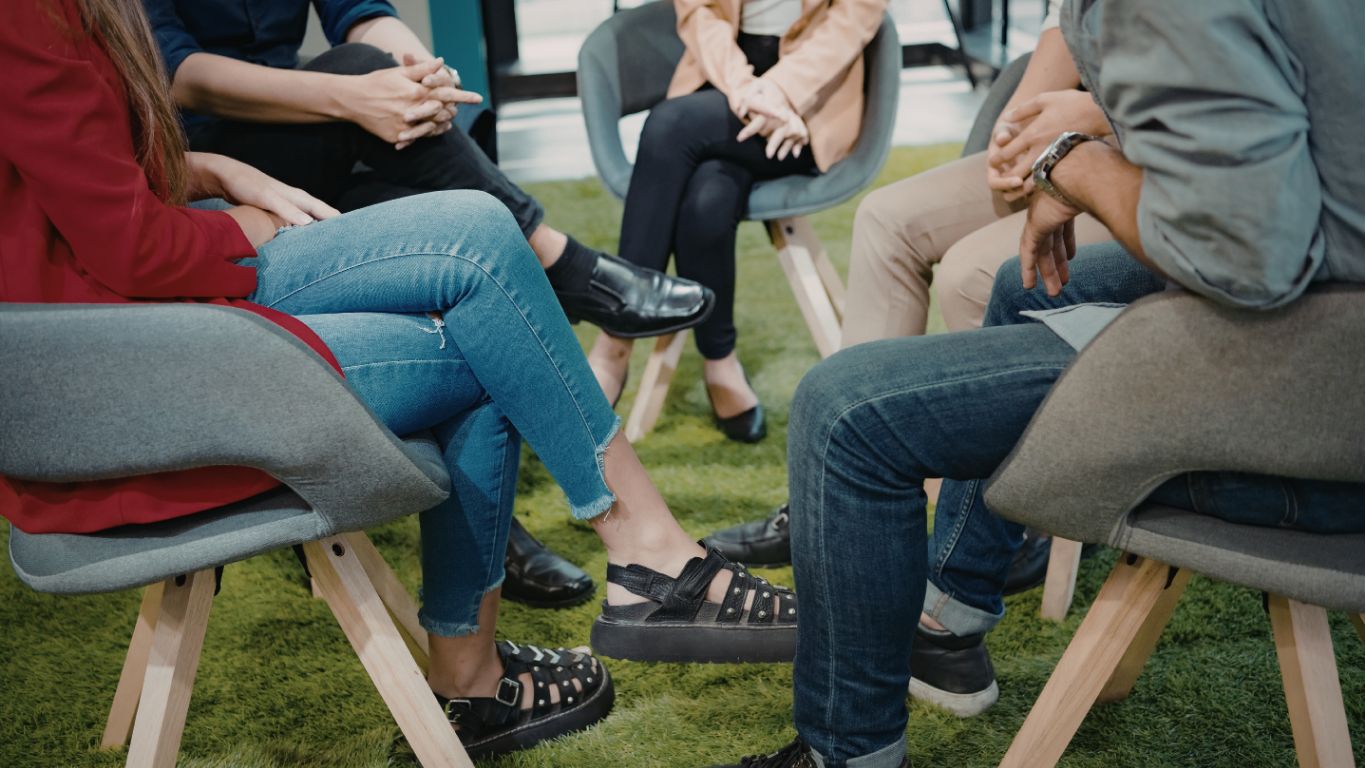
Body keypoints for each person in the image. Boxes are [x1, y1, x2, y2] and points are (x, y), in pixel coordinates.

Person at [0, 0, 798, 758]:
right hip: (116, 371)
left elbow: (89, 180)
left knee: (481, 233)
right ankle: (593, 594)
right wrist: (246, 221)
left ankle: (612, 575)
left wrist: (202, 169)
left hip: (135, 313)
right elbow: (127, 245)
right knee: (489, 325)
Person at [718, 0, 1365, 765]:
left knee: (841, 413)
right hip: (1334, 298)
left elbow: (1246, 260)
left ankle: (843, 752)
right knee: (1023, 284)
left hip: (1318, 396)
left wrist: (1074, 161)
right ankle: (950, 618)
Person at [141, 0, 719, 607]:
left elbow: (360, 11)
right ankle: (564, 266)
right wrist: (353, 94)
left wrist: (418, 72)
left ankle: (495, 545)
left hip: (319, 143)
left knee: (422, 210)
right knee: (371, 92)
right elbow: (181, 75)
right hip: (223, 167)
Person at [704, 2, 1111, 619]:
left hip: (1153, 166)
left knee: (977, 275)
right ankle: (833, 501)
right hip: (1068, 138)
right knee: (885, 221)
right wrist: (1013, 140)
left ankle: (1013, 518)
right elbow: (1058, 44)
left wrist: (1086, 119)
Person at [586, 0, 888, 443]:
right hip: (723, 77)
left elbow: (856, 14)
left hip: (808, 102)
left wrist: (779, 92)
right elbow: (698, 12)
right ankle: (719, 359)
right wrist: (745, 89)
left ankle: (615, 340)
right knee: (707, 198)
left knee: (669, 126)